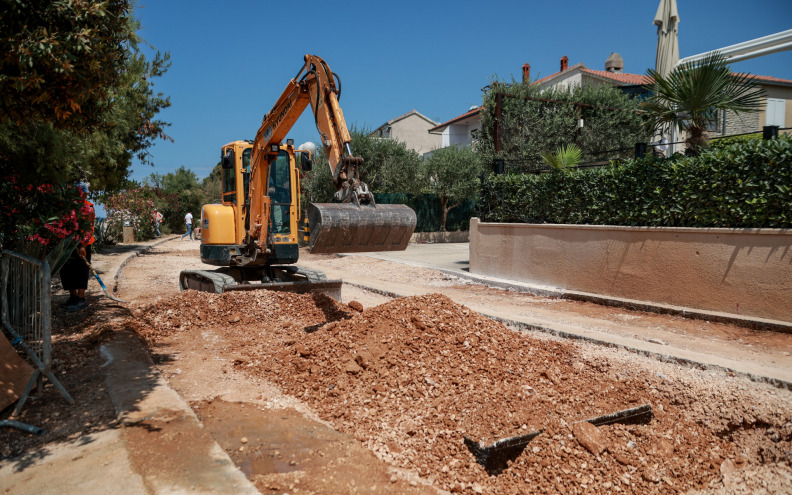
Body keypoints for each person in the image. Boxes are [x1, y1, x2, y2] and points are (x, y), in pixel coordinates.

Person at [62, 182, 96, 311]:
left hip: (83, 244)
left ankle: (81, 298)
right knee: (67, 270)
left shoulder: (89, 208)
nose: (82, 196)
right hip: (69, 244)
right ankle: (73, 296)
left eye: (83, 194)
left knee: (82, 270)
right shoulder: (69, 207)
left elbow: (89, 229)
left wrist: (83, 245)